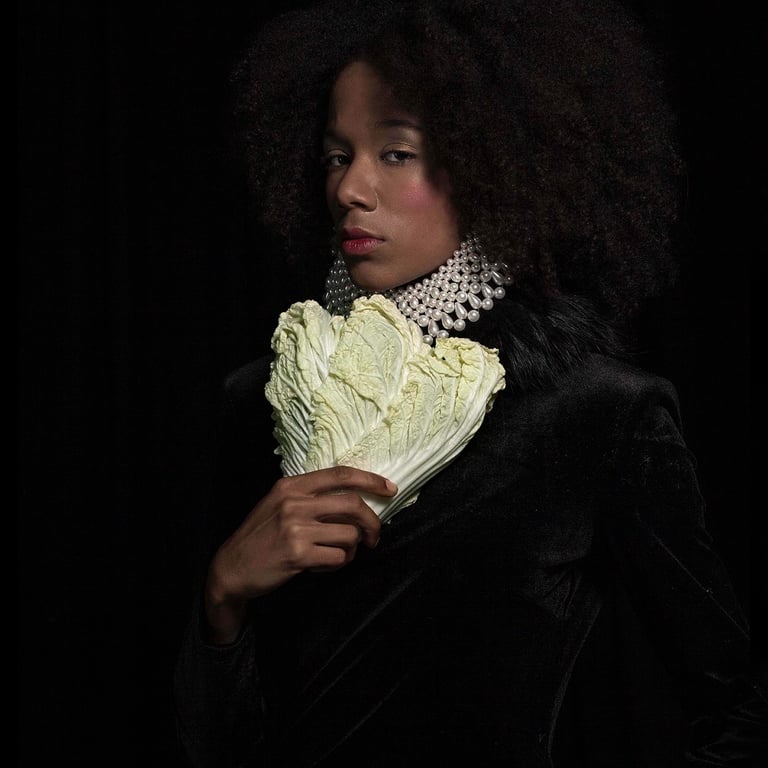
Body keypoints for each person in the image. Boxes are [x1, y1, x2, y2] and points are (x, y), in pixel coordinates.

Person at [174, 0, 768, 765]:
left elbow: (740, 709)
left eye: (396, 153)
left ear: (493, 165)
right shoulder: (259, 401)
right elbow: (212, 749)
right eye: (336, 156)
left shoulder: (592, 412)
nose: (351, 188)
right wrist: (223, 595)